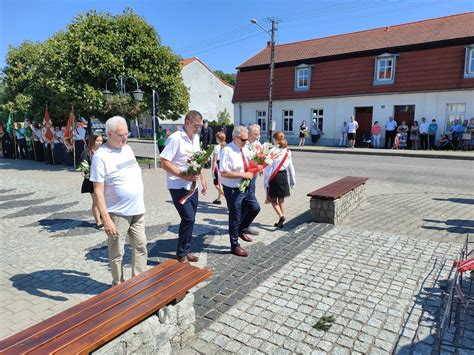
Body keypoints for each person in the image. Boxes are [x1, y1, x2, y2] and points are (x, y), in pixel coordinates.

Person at [90, 116, 147, 286]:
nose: (125, 137)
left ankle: (138, 283)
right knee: (117, 253)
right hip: (117, 213)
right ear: (109, 134)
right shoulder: (101, 156)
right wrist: (106, 219)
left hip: (137, 210)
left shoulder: (127, 149)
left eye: (127, 133)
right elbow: (98, 191)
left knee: (141, 247)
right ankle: (118, 285)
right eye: (121, 134)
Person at [160, 110, 207, 263]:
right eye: (195, 126)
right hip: (178, 185)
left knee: (191, 220)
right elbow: (164, 162)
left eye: (199, 126)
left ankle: (186, 250)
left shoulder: (196, 138)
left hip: (192, 185)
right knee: (188, 218)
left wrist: (203, 179)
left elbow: (198, 160)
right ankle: (181, 254)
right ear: (187, 122)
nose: (198, 129)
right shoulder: (175, 138)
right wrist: (182, 175)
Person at [219, 126, 260, 257]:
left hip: (246, 186)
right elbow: (224, 172)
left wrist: (262, 161)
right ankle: (234, 245)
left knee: (255, 208)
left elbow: (252, 163)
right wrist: (243, 174)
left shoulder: (245, 148)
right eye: (243, 139)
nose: (246, 141)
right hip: (232, 189)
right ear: (235, 137)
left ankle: (241, 229)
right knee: (235, 216)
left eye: (247, 139)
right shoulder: (227, 150)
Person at [264, 131, 296, 228]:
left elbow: (269, 168)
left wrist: (266, 182)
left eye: (274, 139)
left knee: (273, 200)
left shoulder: (272, 151)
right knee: (281, 200)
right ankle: (281, 221)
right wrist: (293, 180)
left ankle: (281, 216)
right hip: (283, 176)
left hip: (274, 177)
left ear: (276, 140)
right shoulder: (288, 151)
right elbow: (291, 167)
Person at [242, 124, 262, 236]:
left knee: (249, 200)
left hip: (253, 176)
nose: (257, 136)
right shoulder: (244, 144)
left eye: (258, 133)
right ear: (249, 133)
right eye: (255, 134)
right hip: (244, 176)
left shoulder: (257, 144)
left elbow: (260, 159)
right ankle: (242, 226)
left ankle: (245, 225)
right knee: (247, 202)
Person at [81, 133, 104, 229]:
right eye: (97, 140)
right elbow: (84, 168)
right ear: (92, 141)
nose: (100, 143)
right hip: (91, 180)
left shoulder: (103, 152)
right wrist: (87, 172)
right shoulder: (87, 153)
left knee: (103, 200)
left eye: (101, 141)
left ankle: (103, 216)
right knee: (96, 201)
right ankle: (98, 222)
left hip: (103, 179)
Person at [211, 131, 226, 205]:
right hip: (224, 166)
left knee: (216, 184)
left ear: (218, 139)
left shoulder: (216, 147)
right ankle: (218, 199)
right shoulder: (226, 146)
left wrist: (213, 170)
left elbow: (214, 160)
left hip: (218, 165)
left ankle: (226, 197)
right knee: (221, 183)